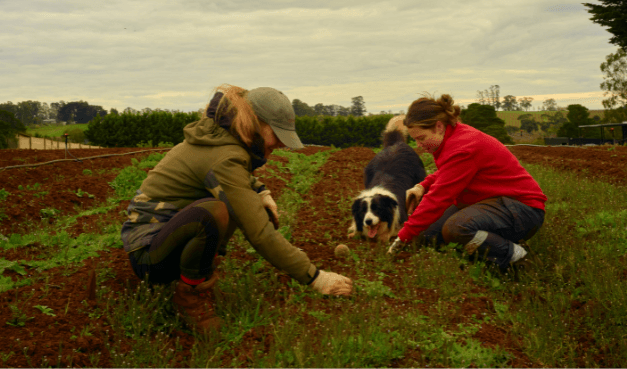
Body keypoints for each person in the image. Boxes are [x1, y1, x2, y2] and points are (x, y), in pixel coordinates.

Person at [121, 84, 353, 331]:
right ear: (255, 123)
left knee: (231, 205)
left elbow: (238, 178)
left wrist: (261, 191)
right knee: (213, 213)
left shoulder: (220, 139)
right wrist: (315, 277)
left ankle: (198, 270)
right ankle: (189, 294)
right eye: (276, 133)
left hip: (162, 238)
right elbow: (260, 233)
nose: (281, 145)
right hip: (148, 254)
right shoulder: (225, 156)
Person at [387, 94, 547, 271]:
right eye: (415, 139)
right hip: (493, 202)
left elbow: (438, 199)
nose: (418, 145)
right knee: (428, 234)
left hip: (521, 209)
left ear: (438, 127)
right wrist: (422, 186)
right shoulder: (452, 138)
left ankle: (517, 256)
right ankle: (483, 250)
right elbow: (448, 172)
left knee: (457, 229)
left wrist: (402, 238)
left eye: (422, 138)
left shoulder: (463, 147)